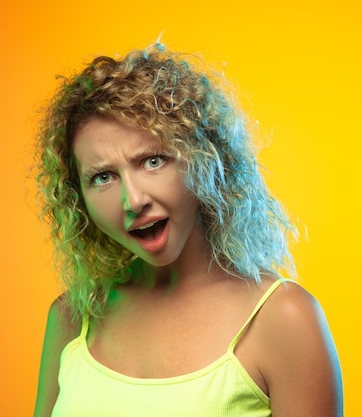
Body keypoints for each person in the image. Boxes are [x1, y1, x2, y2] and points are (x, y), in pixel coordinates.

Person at [33, 40, 343, 417]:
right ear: (76, 194)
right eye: (102, 177)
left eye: (152, 160)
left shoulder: (283, 319)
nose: (133, 201)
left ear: (204, 158)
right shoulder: (72, 318)